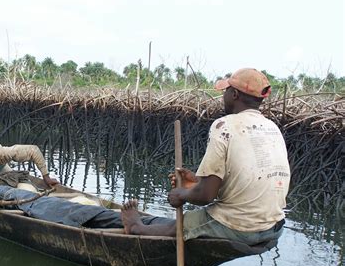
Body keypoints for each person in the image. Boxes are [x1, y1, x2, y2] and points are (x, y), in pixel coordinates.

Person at [121, 68, 290, 246]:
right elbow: (247, 180)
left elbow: (205, 197)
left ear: (234, 94)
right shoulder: (272, 128)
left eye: (226, 91)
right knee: (201, 213)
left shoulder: (224, 126)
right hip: (274, 227)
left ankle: (135, 227)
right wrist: (196, 182)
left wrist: (181, 194)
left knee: (185, 223)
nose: (223, 96)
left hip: (243, 228)